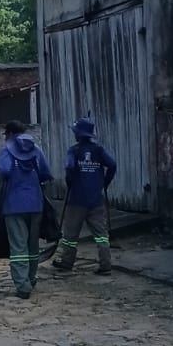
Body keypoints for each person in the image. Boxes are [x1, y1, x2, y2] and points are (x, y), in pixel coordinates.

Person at [54, 117, 117, 276]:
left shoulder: (73, 151)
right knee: (101, 235)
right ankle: (106, 265)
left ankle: (67, 263)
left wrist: (70, 180)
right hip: (95, 199)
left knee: (70, 234)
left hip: (77, 199)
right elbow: (113, 165)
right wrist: (104, 183)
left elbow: (69, 166)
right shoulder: (99, 150)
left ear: (78, 135)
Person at [0, 120, 51, 300]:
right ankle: (31, 278)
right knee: (32, 244)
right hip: (36, 204)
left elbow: (3, 171)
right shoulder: (35, 148)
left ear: (10, 133)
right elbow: (45, 173)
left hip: (13, 205)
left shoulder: (7, 150)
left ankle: (23, 286)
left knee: (18, 246)